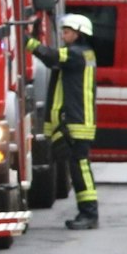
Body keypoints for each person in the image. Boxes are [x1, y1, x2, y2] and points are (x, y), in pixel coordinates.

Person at [30, 13, 100, 230]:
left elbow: (50, 56)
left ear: (78, 34)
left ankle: (89, 213)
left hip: (77, 122)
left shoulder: (77, 54)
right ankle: (87, 212)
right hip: (79, 121)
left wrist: (27, 42)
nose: (63, 35)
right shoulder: (83, 54)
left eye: (67, 32)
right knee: (79, 168)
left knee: (80, 169)